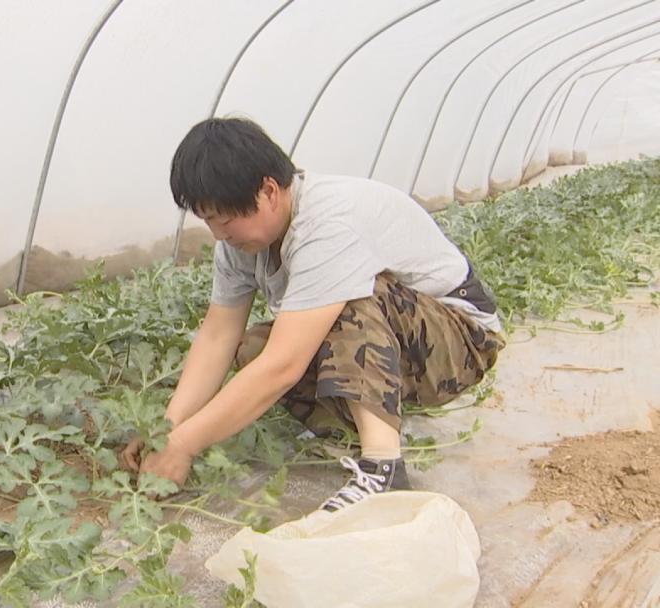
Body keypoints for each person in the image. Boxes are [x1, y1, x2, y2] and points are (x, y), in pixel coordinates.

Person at [120, 118, 504, 511]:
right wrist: (165, 432)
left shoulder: (328, 222)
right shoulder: (238, 245)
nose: (219, 234)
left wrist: (184, 446)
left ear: (268, 190)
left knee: (347, 302)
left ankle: (384, 468)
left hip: (460, 341)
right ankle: (349, 426)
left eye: (224, 218)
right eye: (208, 221)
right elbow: (218, 336)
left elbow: (284, 366)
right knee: (254, 346)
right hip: (400, 350)